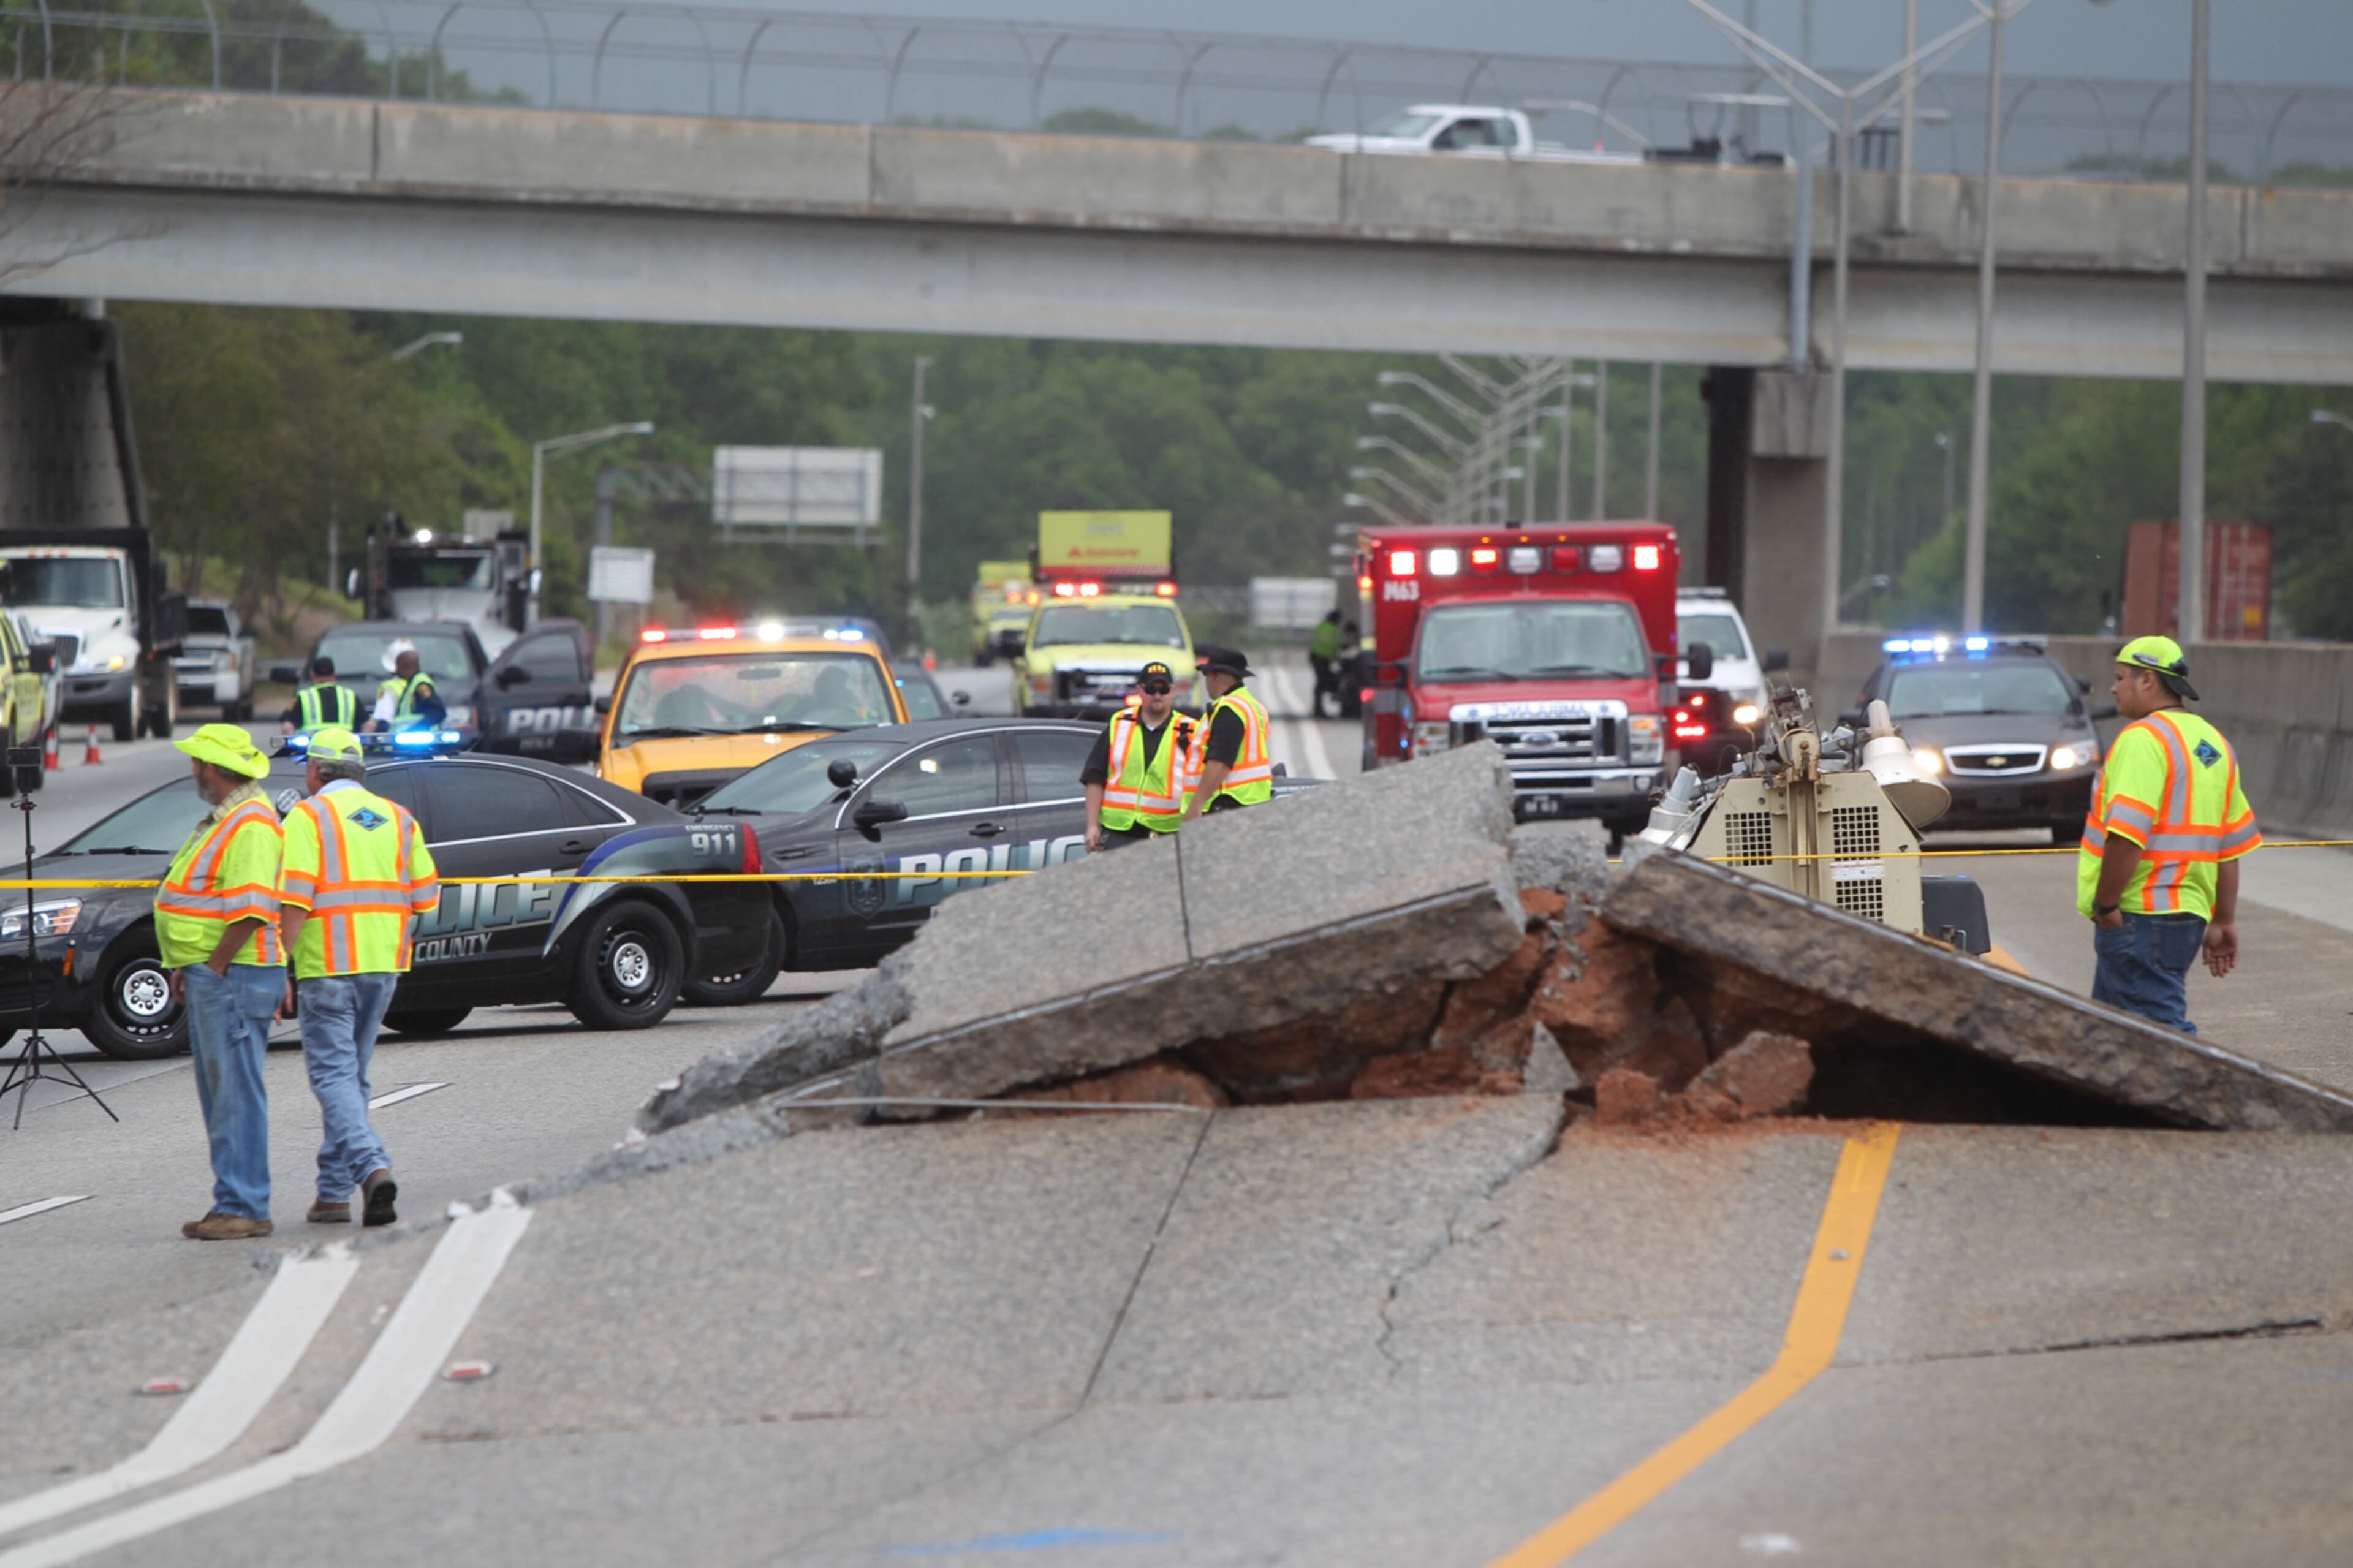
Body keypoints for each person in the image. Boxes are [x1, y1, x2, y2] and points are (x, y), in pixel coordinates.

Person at [276, 726, 439, 1226]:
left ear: (313, 771)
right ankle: (331, 1195)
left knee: (332, 1077)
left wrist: (282, 965)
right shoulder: (398, 817)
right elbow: (426, 897)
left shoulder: (308, 815)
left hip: (326, 965)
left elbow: (297, 896)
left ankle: (372, 1169)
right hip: (383, 965)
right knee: (351, 1080)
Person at [2080, 635, 2259, 1034]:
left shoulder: (2143, 740)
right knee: (2105, 1043)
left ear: (2147, 680)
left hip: (2139, 917)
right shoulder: (2214, 744)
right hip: (2187, 917)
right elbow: (2228, 848)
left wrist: (2107, 906)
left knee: (2164, 1048)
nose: (2113, 688)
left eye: (2120, 677)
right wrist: (2222, 920)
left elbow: (2127, 833)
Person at [157, 724, 285, 1241]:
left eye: (197, 762)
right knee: (225, 1092)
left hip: (233, 974)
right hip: (220, 972)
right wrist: (185, 962)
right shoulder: (229, 819)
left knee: (232, 1094)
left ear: (212, 767)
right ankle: (236, 1200)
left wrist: (211, 967)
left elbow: (252, 910)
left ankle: (244, 1205)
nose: (192, 770)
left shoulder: (251, 823)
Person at [1081, 661, 1196, 851]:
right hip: (1120, 833)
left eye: (1164, 689)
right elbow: (1095, 778)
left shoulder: (1191, 730)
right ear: (1140, 690)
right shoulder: (1119, 723)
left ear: (1173, 691)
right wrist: (1092, 826)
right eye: (1151, 689)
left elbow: (1203, 785)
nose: (1157, 695)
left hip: (1169, 833)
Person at [1183, 645, 1273, 820]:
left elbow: (1220, 761)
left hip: (1227, 803)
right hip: (1250, 800)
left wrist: (1197, 803)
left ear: (1214, 676)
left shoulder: (1228, 709)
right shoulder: (1252, 705)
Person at [370, 640, 445, 733]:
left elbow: (438, 712)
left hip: (419, 741)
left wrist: (414, 730)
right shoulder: (413, 684)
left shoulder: (421, 686)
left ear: (402, 666)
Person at [281, 654, 359, 735]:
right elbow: (369, 725)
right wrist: (364, 746)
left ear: (312, 675)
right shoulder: (349, 695)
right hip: (345, 745)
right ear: (335, 675)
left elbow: (287, 727)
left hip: (313, 745)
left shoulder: (304, 696)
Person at [1307, 609, 1344, 720]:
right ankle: (1318, 709)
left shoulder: (1321, 626)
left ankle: (1318, 708)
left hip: (1315, 657)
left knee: (1320, 683)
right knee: (1321, 683)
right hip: (1323, 659)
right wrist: (1337, 657)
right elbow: (1334, 647)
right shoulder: (1334, 630)